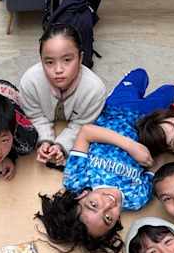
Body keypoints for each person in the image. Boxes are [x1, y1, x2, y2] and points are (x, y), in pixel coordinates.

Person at [35, 68, 174, 253]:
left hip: (117, 108)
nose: (108, 204)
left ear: (81, 196)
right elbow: (158, 163)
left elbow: (86, 132)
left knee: (140, 74)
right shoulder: (137, 198)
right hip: (151, 124)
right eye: (108, 218)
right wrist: (160, 146)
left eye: (94, 205)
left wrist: (130, 146)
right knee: (172, 90)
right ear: (116, 222)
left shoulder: (76, 180)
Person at [18, 24, 107, 167]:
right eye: (49, 62)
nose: (58, 70)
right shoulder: (30, 82)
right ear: (41, 60)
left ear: (80, 58)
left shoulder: (94, 90)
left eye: (67, 60)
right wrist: (45, 140)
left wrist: (61, 145)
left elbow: (81, 125)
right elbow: (34, 115)